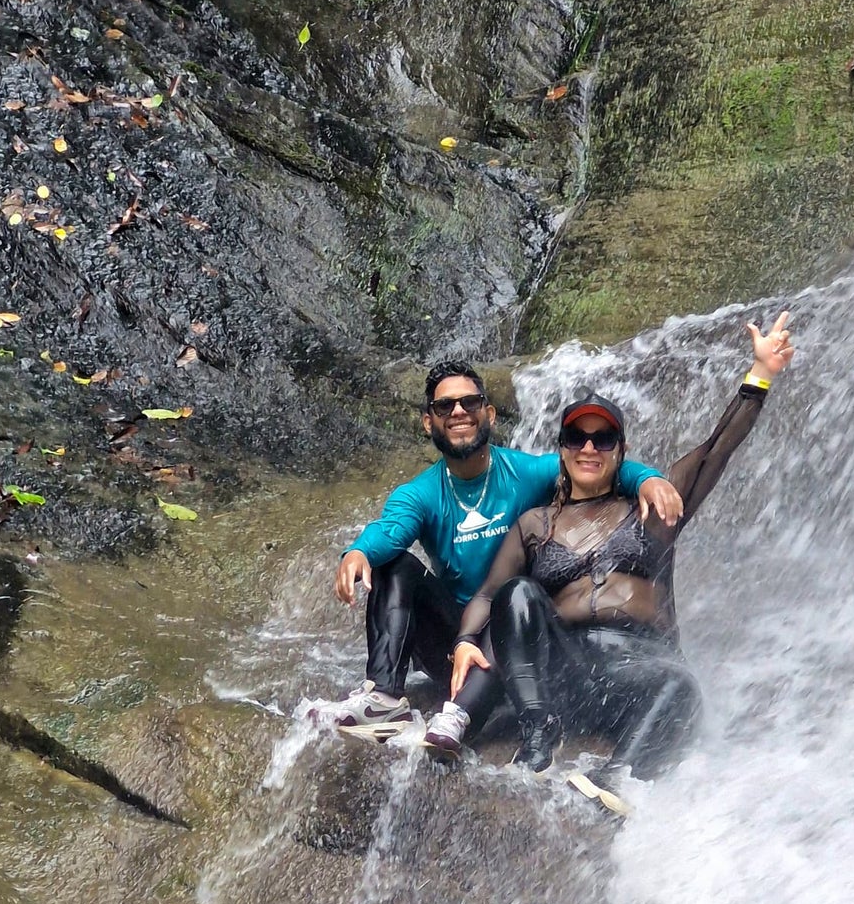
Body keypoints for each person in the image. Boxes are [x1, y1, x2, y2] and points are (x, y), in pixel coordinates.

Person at [447, 312, 794, 781]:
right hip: (565, 672)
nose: (589, 448)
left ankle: (614, 778)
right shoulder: (535, 524)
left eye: (602, 437)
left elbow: (715, 450)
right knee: (517, 593)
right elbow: (490, 595)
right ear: (563, 450)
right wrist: (467, 642)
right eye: (577, 437)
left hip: (637, 667)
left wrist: (761, 376)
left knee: (680, 685)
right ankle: (537, 728)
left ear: (619, 449)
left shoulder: (654, 507)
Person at [333, 361, 684, 748]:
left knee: (515, 596)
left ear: (489, 413)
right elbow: (391, 530)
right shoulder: (420, 493)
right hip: (461, 638)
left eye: (470, 402)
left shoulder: (527, 472)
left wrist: (648, 479)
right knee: (394, 564)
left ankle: (478, 717)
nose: (459, 412)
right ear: (428, 422)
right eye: (444, 407)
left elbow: (594, 463)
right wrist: (359, 551)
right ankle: (384, 698)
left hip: (523, 634)